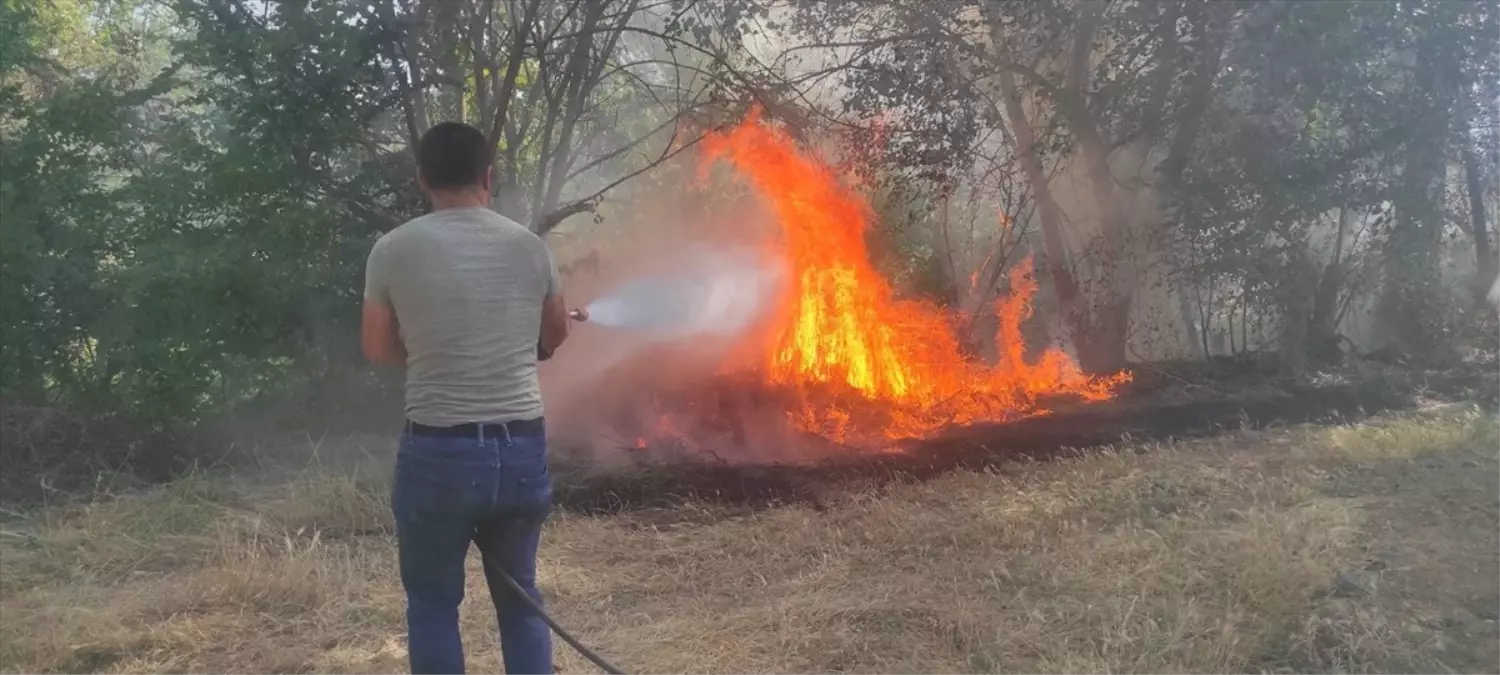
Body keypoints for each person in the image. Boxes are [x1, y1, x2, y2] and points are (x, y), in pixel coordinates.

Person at [361, 121, 572, 675]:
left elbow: (377, 347)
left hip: (439, 454)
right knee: (522, 602)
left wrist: (436, 354)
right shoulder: (531, 247)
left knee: (433, 605)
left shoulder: (392, 249)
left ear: (421, 178)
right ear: (488, 176)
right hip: (521, 451)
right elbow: (553, 337)